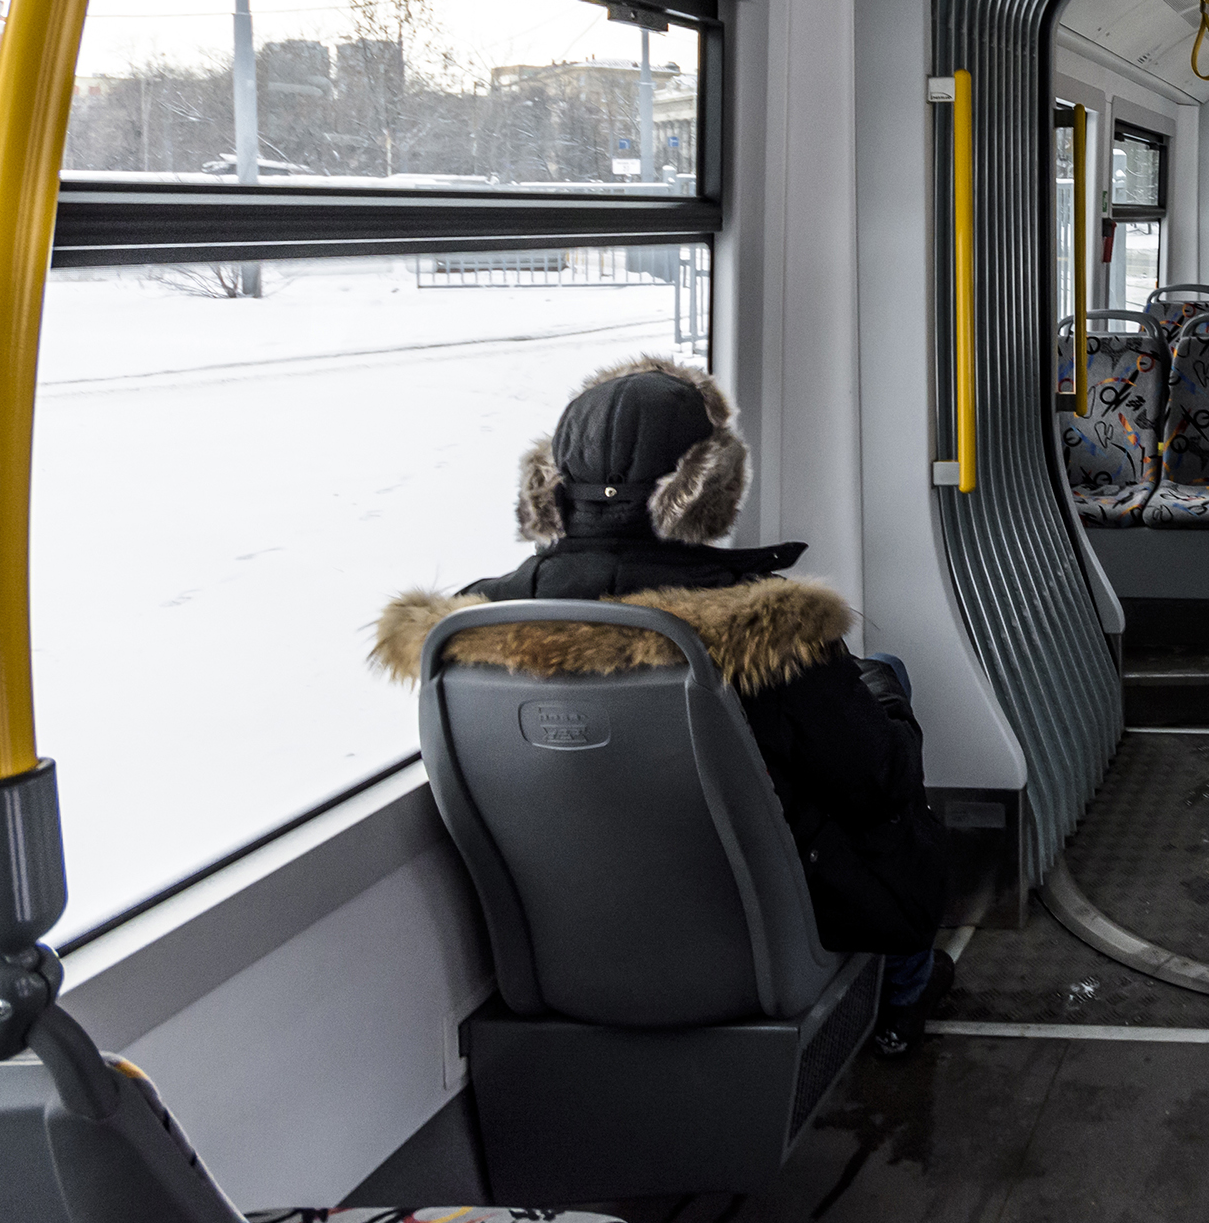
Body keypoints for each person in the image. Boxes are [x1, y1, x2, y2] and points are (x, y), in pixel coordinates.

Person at [369, 354, 955, 1059]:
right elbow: (878, 781)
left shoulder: (471, 633)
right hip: (765, 951)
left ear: (549, 485)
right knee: (884, 699)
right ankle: (902, 994)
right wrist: (885, 696)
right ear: (709, 488)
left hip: (564, 961)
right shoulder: (768, 634)